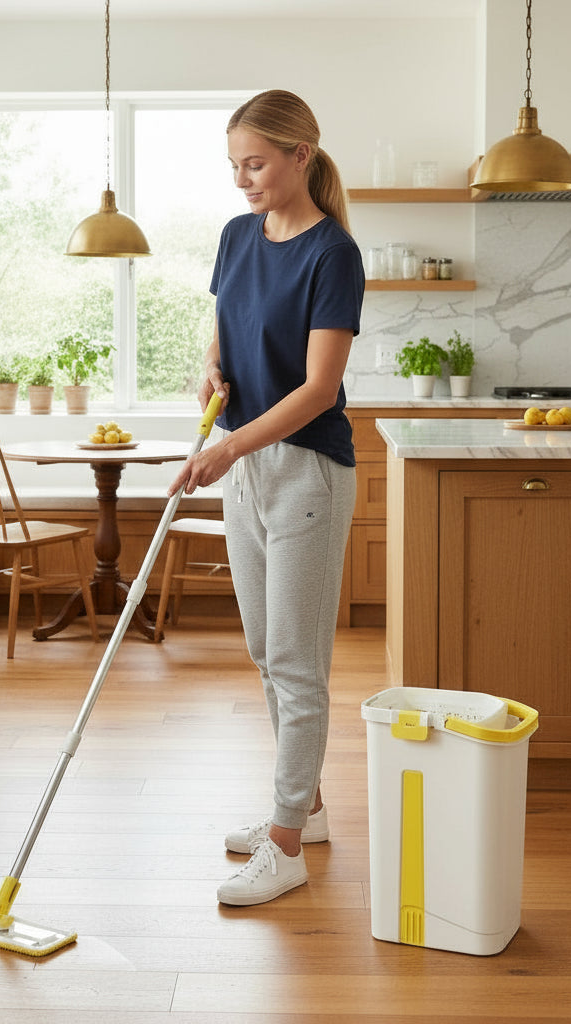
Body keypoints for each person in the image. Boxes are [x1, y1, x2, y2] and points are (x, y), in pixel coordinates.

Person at [167, 90, 364, 907]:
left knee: (296, 660)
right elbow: (224, 331)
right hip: (245, 468)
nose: (243, 180)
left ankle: (285, 846)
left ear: (300, 156)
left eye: (255, 163)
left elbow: (320, 388)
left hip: (304, 470)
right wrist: (211, 371)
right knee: (262, 651)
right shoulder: (236, 237)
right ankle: (304, 807)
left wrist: (230, 446)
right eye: (235, 166)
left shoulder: (334, 254)